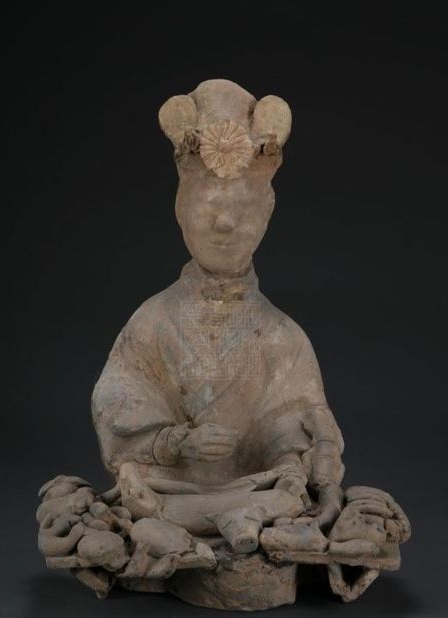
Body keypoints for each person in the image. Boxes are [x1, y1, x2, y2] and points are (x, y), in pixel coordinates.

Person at [92, 79, 345, 548]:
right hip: (171, 487)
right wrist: (176, 442)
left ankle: (227, 522)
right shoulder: (152, 322)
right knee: (140, 495)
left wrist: (294, 454)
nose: (225, 223)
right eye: (209, 205)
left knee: (287, 495)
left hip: (256, 489)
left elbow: (294, 425)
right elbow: (118, 403)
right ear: (180, 210)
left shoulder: (282, 337)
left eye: (243, 208)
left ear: (266, 215)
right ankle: (215, 524)